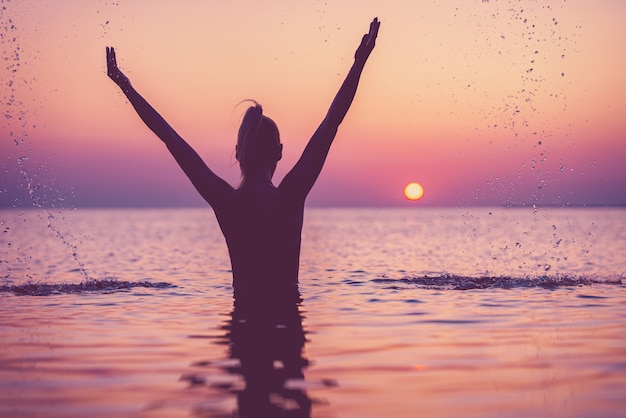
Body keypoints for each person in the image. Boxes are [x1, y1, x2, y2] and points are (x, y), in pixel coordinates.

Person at [106, 18, 380, 299]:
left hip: (242, 332)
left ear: (238, 152)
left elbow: (170, 138)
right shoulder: (290, 196)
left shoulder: (226, 201)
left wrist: (126, 86)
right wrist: (359, 63)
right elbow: (330, 124)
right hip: (286, 333)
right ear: (279, 152)